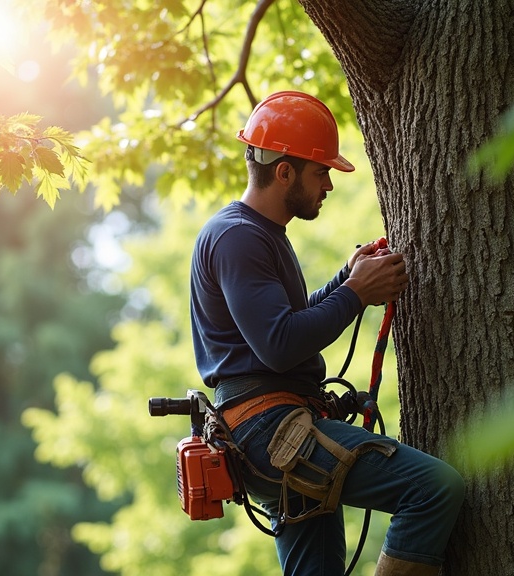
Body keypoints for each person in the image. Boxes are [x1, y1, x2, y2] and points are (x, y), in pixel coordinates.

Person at [189, 90, 464, 576]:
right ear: (284, 171)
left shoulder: (257, 233)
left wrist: (347, 280)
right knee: (433, 487)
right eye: (322, 172)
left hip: (274, 431)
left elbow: (284, 324)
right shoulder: (239, 237)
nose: (329, 185)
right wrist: (356, 294)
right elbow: (279, 345)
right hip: (271, 431)